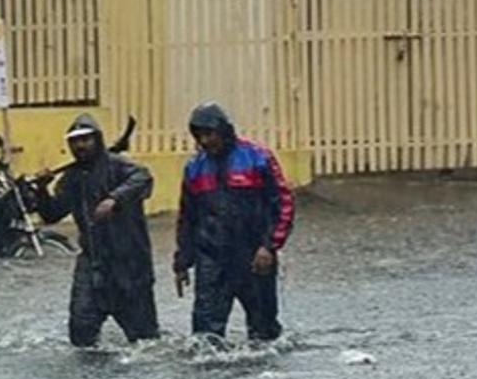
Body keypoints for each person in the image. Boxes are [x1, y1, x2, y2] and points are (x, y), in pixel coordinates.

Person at [173, 102, 295, 341]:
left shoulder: (257, 158)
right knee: (204, 337)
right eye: (200, 136)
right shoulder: (194, 167)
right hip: (211, 257)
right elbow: (188, 217)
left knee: (264, 332)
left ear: (224, 130)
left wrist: (269, 246)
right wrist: (182, 261)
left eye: (210, 134)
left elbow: (282, 203)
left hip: (253, 254)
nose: (206, 141)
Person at [34, 114, 159, 347]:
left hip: (130, 264)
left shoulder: (120, 166)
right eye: (74, 141)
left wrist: (114, 199)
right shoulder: (70, 178)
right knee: (81, 333)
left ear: (97, 140)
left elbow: (143, 177)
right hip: (93, 264)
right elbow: (51, 214)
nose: (80, 146)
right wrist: (42, 190)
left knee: (144, 339)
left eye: (86, 139)